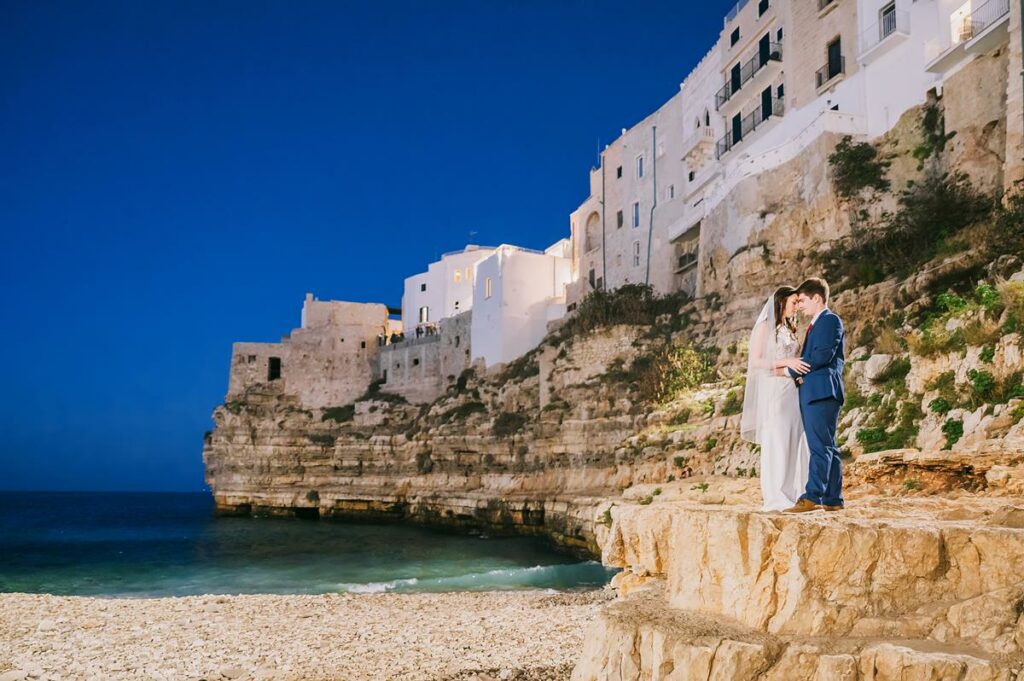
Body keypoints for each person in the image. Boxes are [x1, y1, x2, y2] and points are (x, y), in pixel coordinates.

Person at [741, 286, 812, 511]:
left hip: (792, 391)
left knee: (794, 438)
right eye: (793, 302)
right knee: (778, 439)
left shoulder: (788, 329)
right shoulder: (765, 327)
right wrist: (788, 363)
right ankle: (776, 496)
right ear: (781, 302)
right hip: (775, 392)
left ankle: (793, 492)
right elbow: (756, 362)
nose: (797, 307)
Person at [784, 277, 846, 513]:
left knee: (820, 447)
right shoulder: (817, 323)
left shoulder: (829, 321)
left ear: (817, 298)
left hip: (822, 392)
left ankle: (813, 496)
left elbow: (822, 355)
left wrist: (792, 370)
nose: (799, 306)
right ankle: (833, 498)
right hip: (817, 391)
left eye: (802, 301)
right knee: (828, 446)